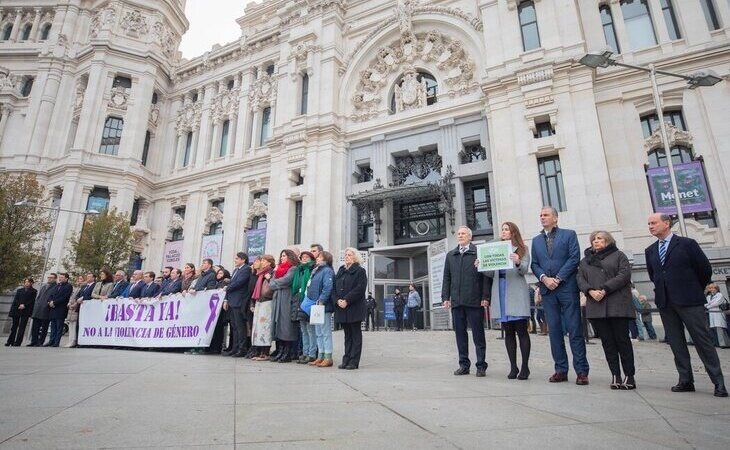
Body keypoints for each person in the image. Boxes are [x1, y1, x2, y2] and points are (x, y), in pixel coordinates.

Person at [645, 213, 726, 397]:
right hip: (666, 303)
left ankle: (718, 381)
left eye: (654, 223)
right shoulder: (650, 250)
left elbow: (704, 269)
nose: (650, 226)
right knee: (676, 343)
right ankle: (685, 379)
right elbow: (654, 275)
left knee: (702, 341)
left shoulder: (687, 244)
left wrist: (692, 288)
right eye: (649, 223)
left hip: (689, 301)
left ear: (666, 224)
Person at [531, 207, 589, 385]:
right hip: (548, 291)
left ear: (555, 218)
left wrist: (558, 278)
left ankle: (581, 371)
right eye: (540, 215)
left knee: (574, 329)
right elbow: (534, 263)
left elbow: (574, 258)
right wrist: (544, 279)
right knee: (554, 331)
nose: (542, 217)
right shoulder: (536, 240)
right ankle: (560, 370)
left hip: (566, 288)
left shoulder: (569, 235)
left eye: (546, 215)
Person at [577, 231, 636, 390]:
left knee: (622, 341)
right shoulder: (585, 261)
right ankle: (615, 375)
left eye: (600, 239)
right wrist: (590, 291)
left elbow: (624, 275)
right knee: (608, 343)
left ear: (608, 241)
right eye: (593, 239)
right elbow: (580, 279)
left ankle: (629, 375)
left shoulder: (618, 255)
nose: (596, 241)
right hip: (597, 306)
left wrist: (604, 289)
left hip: (617, 304)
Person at [441, 226, 491, 377]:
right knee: (460, 335)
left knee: (478, 335)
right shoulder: (451, 255)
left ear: (470, 237)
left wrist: (486, 297)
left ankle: (481, 365)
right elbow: (447, 278)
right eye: (459, 234)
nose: (460, 236)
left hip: (475, 301)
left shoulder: (478, 253)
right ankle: (464, 364)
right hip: (457, 302)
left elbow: (485, 278)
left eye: (463, 233)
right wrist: (445, 298)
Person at [486, 222, 532, 380]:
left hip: (516, 290)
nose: (503, 232)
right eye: (502, 230)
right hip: (500, 290)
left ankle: (525, 367)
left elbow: (525, 269)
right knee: (508, 332)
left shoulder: (522, 249)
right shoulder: (497, 248)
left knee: (521, 330)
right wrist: (482, 266)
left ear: (513, 232)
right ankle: (513, 366)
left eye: (506, 229)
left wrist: (518, 261)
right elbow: (492, 273)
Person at [334, 248, 367, 370]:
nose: (347, 257)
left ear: (355, 257)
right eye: (346, 255)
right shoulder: (341, 270)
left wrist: (347, 300)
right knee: (347, 336)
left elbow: (360, 289)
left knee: (355, 335)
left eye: (349, 255)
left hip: (354, 307)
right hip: (342, 307)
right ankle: (346, 359)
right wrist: (337, 300)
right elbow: (334, 287)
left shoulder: (360, 271)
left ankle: (354, 361)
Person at [268, 249, 298, 362]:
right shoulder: (278, 269)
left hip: (287, 299)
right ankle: (280, 350)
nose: (282, 258)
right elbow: (271, 283)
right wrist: (276, 283)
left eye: (284, 256)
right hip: (278, 299)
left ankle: (287, 352)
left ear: (290, 257)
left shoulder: (293, 268)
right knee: (278, 324)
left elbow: (286, 281)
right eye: (281, 256)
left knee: (286, 326)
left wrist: (275, 283)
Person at [306, 251, 335, 367]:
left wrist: (322, 299)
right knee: (318, 332)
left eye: (319, 257)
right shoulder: (317, 270)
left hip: (323, 306)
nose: (317, 258)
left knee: (325, 332)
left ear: (325, 259)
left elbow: (328, 287)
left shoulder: (327, 270)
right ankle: (321, 356)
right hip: (315, 305)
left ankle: (328, 356)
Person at [223, 252, 251, 357]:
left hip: (239, 301)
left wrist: (227, 287)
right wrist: (226, 300)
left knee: (240, 326)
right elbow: (231, 284)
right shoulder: (235, 270)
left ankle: (242, 348)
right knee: (234, 326)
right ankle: (235, 348)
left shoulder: (246, 269)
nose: (235, 260)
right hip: (231, 301)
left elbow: (239, 283)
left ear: (243, 260)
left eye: (237, 258)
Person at [292, 251, 316, 364]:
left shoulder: (312, 269)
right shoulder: (299, 270)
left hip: (309, 301)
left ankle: (311, 354)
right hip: (299, 301)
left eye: (307, 257)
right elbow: (295, 286)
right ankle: (304, 353)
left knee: (310, 330)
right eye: (302, 257)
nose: (304, 258)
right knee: (303, 330)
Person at [251, 255, 276, 360]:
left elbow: (273, 286)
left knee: (265, 326)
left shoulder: (271, 273)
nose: (262, 262)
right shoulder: (260, 274)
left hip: (267, 301)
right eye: (262, 260)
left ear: (269, 263)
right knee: (258, 327)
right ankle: (258, 350)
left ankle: (265, 352)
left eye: (264, 261)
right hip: (259, 301)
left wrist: (269, 279)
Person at [6, 278, 36, 347]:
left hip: (26, 310)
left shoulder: (34, 291)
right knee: (14, 326)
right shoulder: (19, 290)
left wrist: (24, 305)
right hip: (17, 309)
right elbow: (16, 299)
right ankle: (10, 341)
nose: (26, 283)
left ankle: (18, 342)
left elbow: (32, 300)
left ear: (31, 283)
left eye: (28, 282)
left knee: (22, 327)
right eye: (25, 282)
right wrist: (20, 304)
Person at [28, 273, 56, 347]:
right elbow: (39, 297)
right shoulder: (44, 286)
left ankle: (40, 341)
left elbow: (53, 298)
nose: (49, 279)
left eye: (51, 278)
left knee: (44, 327)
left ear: (55, 279)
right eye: (49, 277)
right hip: (38, 309)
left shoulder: (55, 287)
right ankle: (33, 341)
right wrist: (36, 305)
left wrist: (48, 304)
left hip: (47, 309)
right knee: (35, 326)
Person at [45, 273, 73, 347]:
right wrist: (49, 301)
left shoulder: (68, 286)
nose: (60, 278)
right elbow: (51, 295)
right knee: (53, 327)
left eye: (62, 277)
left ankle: (56, 342)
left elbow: (65, 297)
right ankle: (51, 341)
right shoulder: (57, 286)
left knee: (59, 327)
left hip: (60, 309)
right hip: (53, 308)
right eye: (59, 277)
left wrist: (54, 302)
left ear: (66, 278)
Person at [705, 284, 729, 348]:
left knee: (720, 329)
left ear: (717, 289)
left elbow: (717, 303)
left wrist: (708, 305)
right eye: (710, 288)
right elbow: (705, 304)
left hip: (718, 314)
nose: (711, 289)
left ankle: (724, 344)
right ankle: (717, 343)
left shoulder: (720, 295)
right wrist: (709, 305)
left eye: (713, 288)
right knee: (713, 329)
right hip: (712, 314)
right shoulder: (709, 297)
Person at [65, 275, 85, 348]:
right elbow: (72, 297)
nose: (79, 280)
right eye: (79, 279)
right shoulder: (76, 288)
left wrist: (75, 304)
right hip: (71, 308)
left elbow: (79, 297)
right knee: (70, 324)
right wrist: (69, 303)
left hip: (76, 308)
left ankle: (73, 340)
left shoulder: (83, 288)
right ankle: (70, 340)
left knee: (74, 324)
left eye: (81, 279)